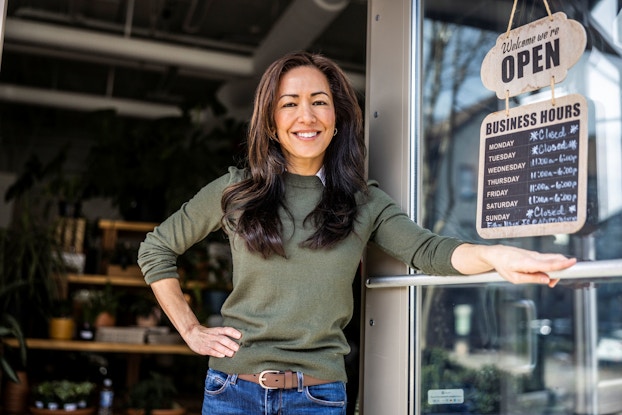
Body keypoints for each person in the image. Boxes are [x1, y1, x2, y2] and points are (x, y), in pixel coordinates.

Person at [137, 51, 576, 415]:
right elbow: (156, 249)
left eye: (319, 101)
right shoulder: (236, 192)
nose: (305, 116)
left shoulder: (363, 203)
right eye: (289, 103)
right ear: (271, 122)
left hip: (317, 398)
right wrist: (191, 329)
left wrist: (497, 257)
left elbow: (429, 250)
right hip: (231, 392)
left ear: (337, 116)